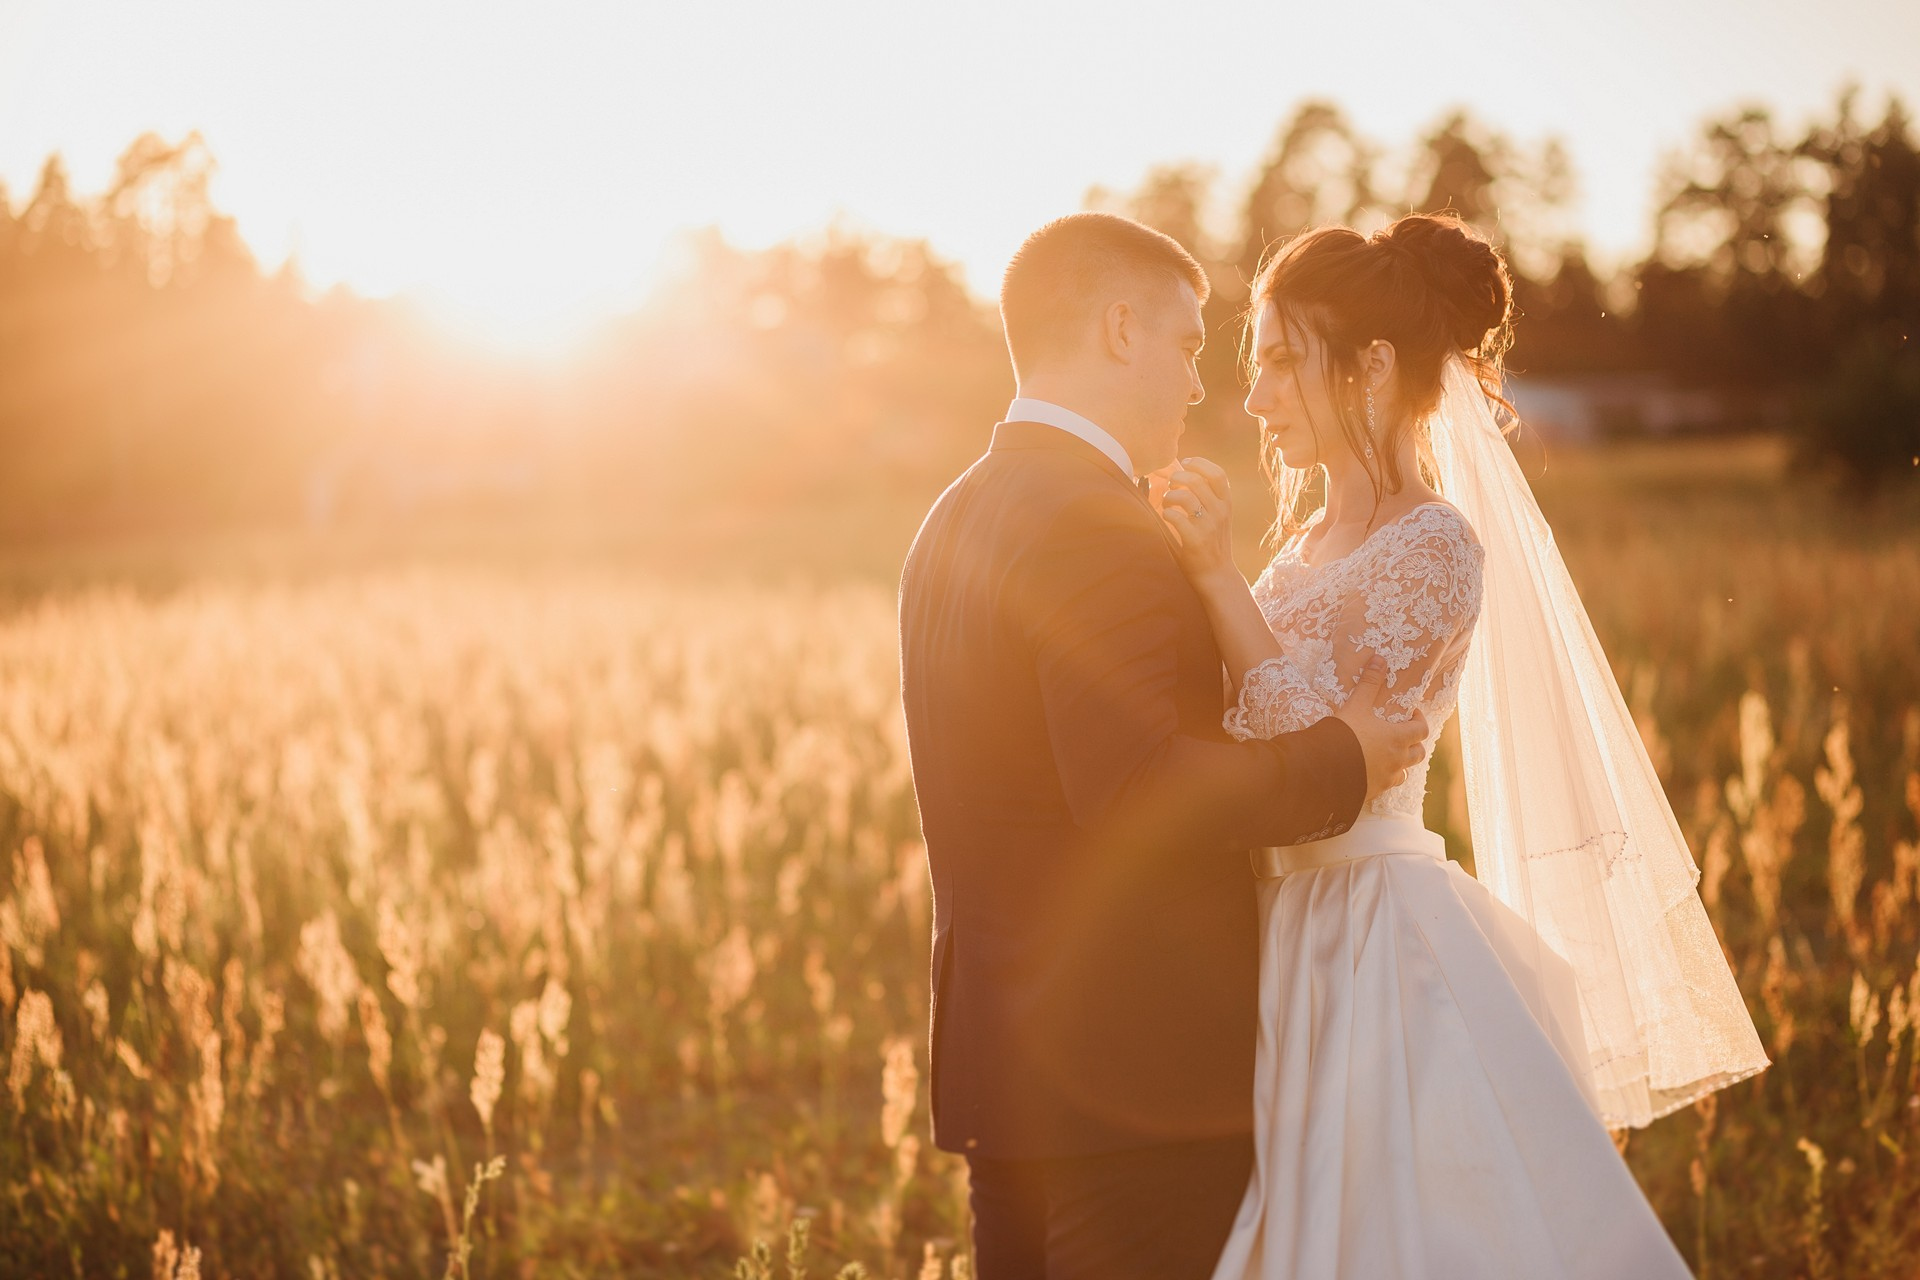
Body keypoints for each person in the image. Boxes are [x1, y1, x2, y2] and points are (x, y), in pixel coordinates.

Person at [1157, 211, 1769, 1280]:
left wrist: (1213, 581)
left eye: (1281, 363)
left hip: (1367, 933)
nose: (1252, 400)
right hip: (1267, 924)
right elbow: (1286, 721)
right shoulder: (1296, 547)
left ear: (1374, 365)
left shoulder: (1436, 544)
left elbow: (1322, 758)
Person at [896, 212, 1430, 1280]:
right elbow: (1138, 785)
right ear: (1119, 327)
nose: (1199, 384)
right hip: (1133, 1085)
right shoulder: (1096, 521)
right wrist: (1345, 762)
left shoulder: (952, 516)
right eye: (1189, 345)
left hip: (1007, 1069)